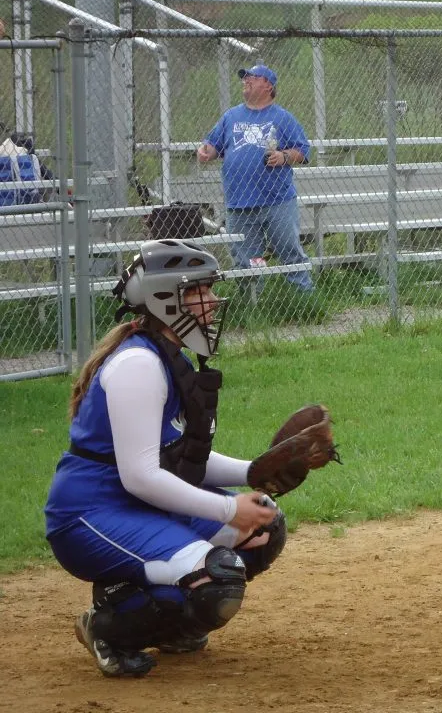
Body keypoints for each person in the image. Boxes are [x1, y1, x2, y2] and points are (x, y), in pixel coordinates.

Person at [44, 239, 286, 678]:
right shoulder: (138, 364)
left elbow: (182, 457)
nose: (212, 302)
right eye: (200, 290)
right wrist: (230, 507)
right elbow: (141, 476)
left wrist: (253, 472)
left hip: (135, 506)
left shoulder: (165, 357)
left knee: (266, 528)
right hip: (88, 513)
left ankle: (157, 613)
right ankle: (109, 627)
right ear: (165, 298)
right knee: (217, 579)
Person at [197, 64, 314, 295]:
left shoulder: (282, 117)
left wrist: (284, 156)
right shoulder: (231, 116)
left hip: (276, 200)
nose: (246, 80)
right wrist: (204, 152)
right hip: (239, 202)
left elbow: (303, 151)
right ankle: (253, 304)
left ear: (268, 85)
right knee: (246, 260)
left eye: (253, 77)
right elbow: (211, 146)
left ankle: (305, 300)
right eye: (244, 77)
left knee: (289, 251)